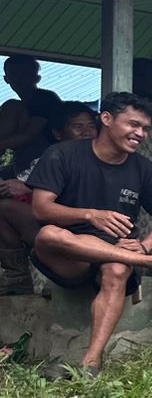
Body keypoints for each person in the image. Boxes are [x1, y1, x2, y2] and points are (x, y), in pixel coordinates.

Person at [27, 93, 152, 377]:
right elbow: (41, 208)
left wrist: (147, 245)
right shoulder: (63, 154)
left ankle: (91, 364)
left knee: (117, 269)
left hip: (117, 255)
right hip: (69, 256)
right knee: (48, 234)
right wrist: (90, 215)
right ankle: (149, 263)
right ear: (107, 118)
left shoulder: (144, 169)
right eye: (133, 124)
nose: (140, 134)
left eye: (146, 128)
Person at [0, 102, 98, 293]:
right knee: (4, 208)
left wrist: (29, 190)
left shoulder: (101, 158)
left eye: (91, 126)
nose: (86, 132)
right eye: (78, 127)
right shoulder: (51, 158)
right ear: (58, 134)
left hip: (86, 230)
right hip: (50, 227)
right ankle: (17, 277)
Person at [0, 54, 64, 172]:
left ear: (36, 78)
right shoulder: (21, 105)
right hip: (27, 157)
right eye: (14, 73)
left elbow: (28, 136)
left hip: (48, 154)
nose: (19, 78)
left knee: (11, 105)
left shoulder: (44, 98)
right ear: (6, 79)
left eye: (25, 74)